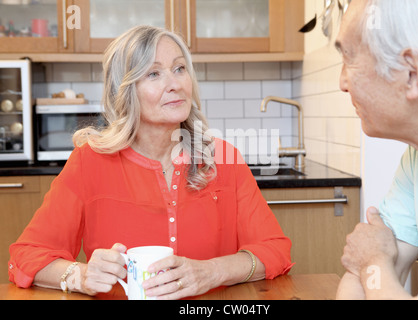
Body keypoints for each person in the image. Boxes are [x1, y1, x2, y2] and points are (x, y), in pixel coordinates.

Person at [8, 26, 293, 299]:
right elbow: (27, 256)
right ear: (125, 90)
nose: (176, 84)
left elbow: (275, 251)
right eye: (154, 73)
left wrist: (214, 271)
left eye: (180, 69)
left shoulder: (223, 158)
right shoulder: (89, 162)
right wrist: (79, 276)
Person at [334, 0, 418, 299]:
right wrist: (374, 264)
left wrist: (374, 262)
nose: (342, 83)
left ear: (411, 73)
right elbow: (359, 276)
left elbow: (369, 261)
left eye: (349, 58)